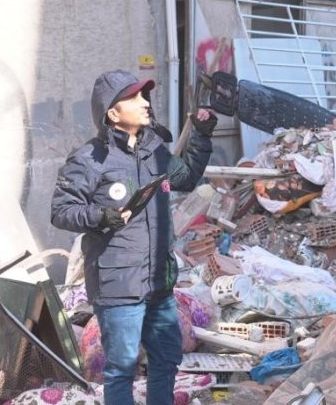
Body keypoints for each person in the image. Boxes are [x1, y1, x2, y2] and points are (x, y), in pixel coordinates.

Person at [51, 70, 216, 405]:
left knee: (167, 359)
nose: (145, 104)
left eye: (145, 96)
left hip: (159, 282)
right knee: (121, 368)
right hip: (118, 286)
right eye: (135, 98)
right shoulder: (89, 159)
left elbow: (185, 177)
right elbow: (61, 211)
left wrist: (201, 135)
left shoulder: (154, 151)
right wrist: (100, 216)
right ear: (113, 114)